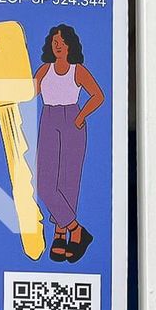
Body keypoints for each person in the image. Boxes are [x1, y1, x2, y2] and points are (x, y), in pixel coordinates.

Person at [34, 24, 105, 263]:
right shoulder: (45, 70)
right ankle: (76, 229)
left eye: (62, 43)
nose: (58, 46)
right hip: (48, 119)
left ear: (70, 46)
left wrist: (80, 116)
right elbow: (29, 91)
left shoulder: (78, 70)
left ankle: (60, 234)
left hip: (72, 120)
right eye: (55, 42)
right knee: (45, 183)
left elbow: (98, 95)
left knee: (68, 181)